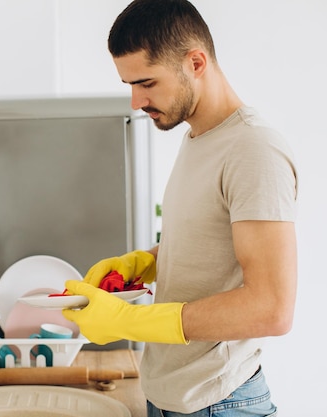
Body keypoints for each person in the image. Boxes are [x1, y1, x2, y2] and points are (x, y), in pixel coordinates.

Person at [61, 0, 298, 415]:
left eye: (147, 82)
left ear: (196, 62)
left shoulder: (253, 149)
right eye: (129, 85)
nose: (136, 101)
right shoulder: (198, 139)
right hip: (171, 395)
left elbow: (271, 308)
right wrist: (140, 264)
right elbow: (205, 246)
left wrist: (126, 322)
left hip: (217, 402)